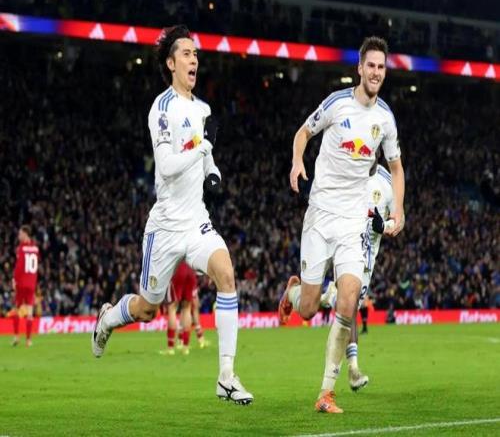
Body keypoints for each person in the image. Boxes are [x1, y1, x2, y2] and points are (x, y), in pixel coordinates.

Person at [91, 25, 253, 405]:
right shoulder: (162, 108)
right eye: (186, 53)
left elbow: (207, 160)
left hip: (196, 220)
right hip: (164, 226)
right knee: (147, 308)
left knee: (226, 273)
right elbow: (165, 165)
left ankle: (226, 376)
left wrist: (213, 174)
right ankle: (109, 318)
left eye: (195, 54)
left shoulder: (203, 109)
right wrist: (203, 148)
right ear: (171, 63)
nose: (194, 60)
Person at [279, 36, 405, 413]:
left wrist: (399, 210)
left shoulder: (385, 119)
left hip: (352, 221)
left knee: (349, 298)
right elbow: (303, 132)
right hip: (320, 216)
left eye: (381, 67)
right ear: (360, 68)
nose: (376, 72)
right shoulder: (337, 103)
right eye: (371, 65)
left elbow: (396, 168)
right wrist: (297, 161)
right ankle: (292, 293)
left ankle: (326, 392)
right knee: (307, 309)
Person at [321, 162, 396, 392]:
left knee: (347, 307)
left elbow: (398, 221)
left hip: (368, 258)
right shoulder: (348, 168)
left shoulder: (388, 181)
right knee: (350, 307)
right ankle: (353, 369)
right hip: (346, 248)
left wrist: (384, 225)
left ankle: (325, 297)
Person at [160, 261, 198, 355]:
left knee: (172, 308)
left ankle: (170, 348)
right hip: (191, 271)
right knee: (187, 308)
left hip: (178, 270)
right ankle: (185, 348)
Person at [11, 225, 40, 347]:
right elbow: (36, 267)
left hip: (22, 282)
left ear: (25, 234)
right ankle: (28, 340)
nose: (19, 236)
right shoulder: (36, 249)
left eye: (20, 234)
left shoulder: (21, 248)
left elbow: (19, 266)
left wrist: (14, 279)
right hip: (31, 283)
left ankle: (16, 337)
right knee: (30, 312)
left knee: (17, 309)